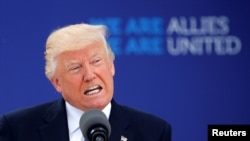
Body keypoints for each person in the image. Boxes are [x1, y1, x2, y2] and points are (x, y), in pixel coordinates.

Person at [0, 23, 171, 141]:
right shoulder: (17, 129)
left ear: (111, 66)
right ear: (57, 82)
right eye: (75, 68)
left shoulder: (153, 132)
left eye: (96, 61)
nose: (89, 75)